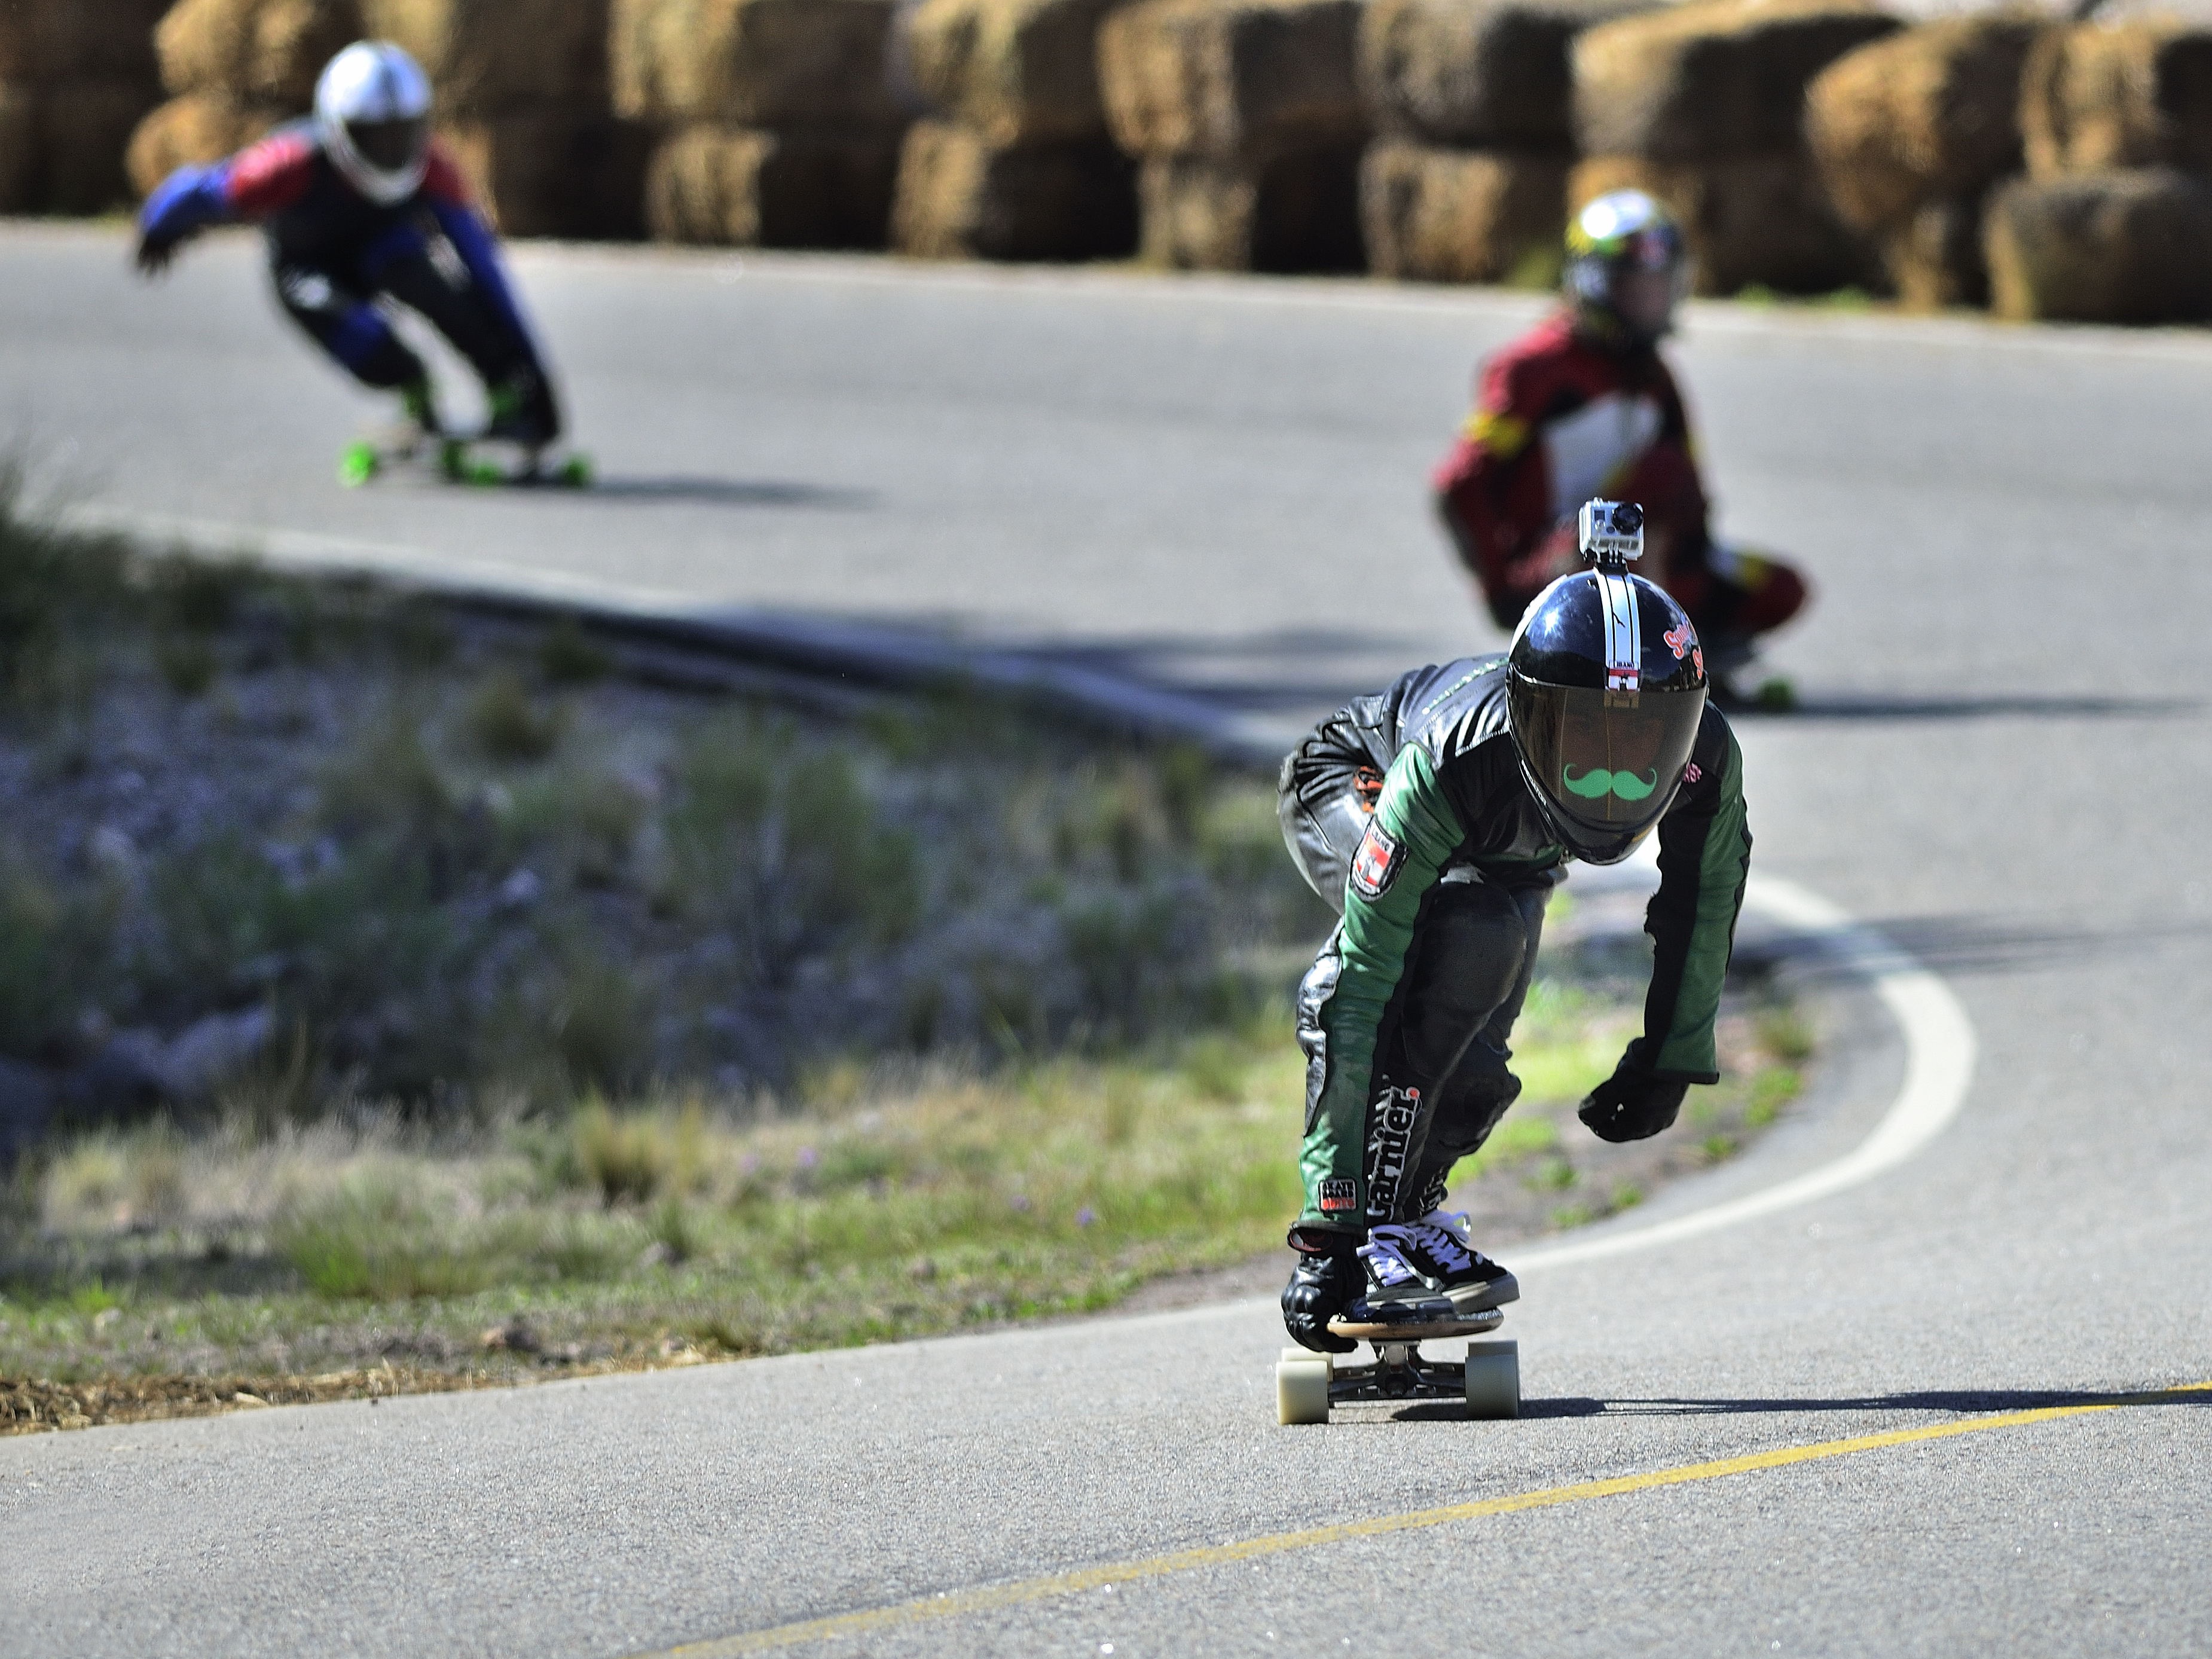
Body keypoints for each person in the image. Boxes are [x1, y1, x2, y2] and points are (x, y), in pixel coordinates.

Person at [1277, 500, 1750, 1354]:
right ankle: (1369, 1229)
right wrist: (1327, 1227)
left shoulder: (1708, 757)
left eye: (1641, 746)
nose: (1609, 783)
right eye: (1581, 742)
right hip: (1358, 777)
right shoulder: (1455, 759)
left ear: (1687, 726)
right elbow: (1357, 988)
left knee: (1475, 1072)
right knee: (1456, 936)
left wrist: (1673, 1055)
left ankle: (1410, 1212)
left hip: (1508, 851)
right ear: (1524, 718)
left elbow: (1704, 902)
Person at [1432, 190, 1806, 699]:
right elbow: (1459, 482)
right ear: (1595, 284)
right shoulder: (1532, 368)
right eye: (1635, 288)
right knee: (1656, 476)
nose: (1651, 304)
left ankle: (1691, 651)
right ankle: (1645, 666)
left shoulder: (1658, 376)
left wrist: (1694, 560)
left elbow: (1693, 490)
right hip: (1557, 560)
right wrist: (1498, 585)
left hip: (1648, 549)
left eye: (1659, 287)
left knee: (1781, 589)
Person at [134, 41, 561, 463]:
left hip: (384, 253)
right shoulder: (288, 163)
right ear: (338, 128)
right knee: (364, 337)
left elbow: (486, 273)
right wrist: (158, 225)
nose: (391, 150)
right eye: (374, 137)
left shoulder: (432, 168)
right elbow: (206, 188)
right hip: (307, 266)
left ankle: (505, 393)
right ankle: (415, 392)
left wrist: (533, 374)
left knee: (434, 284)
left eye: (403, 133)